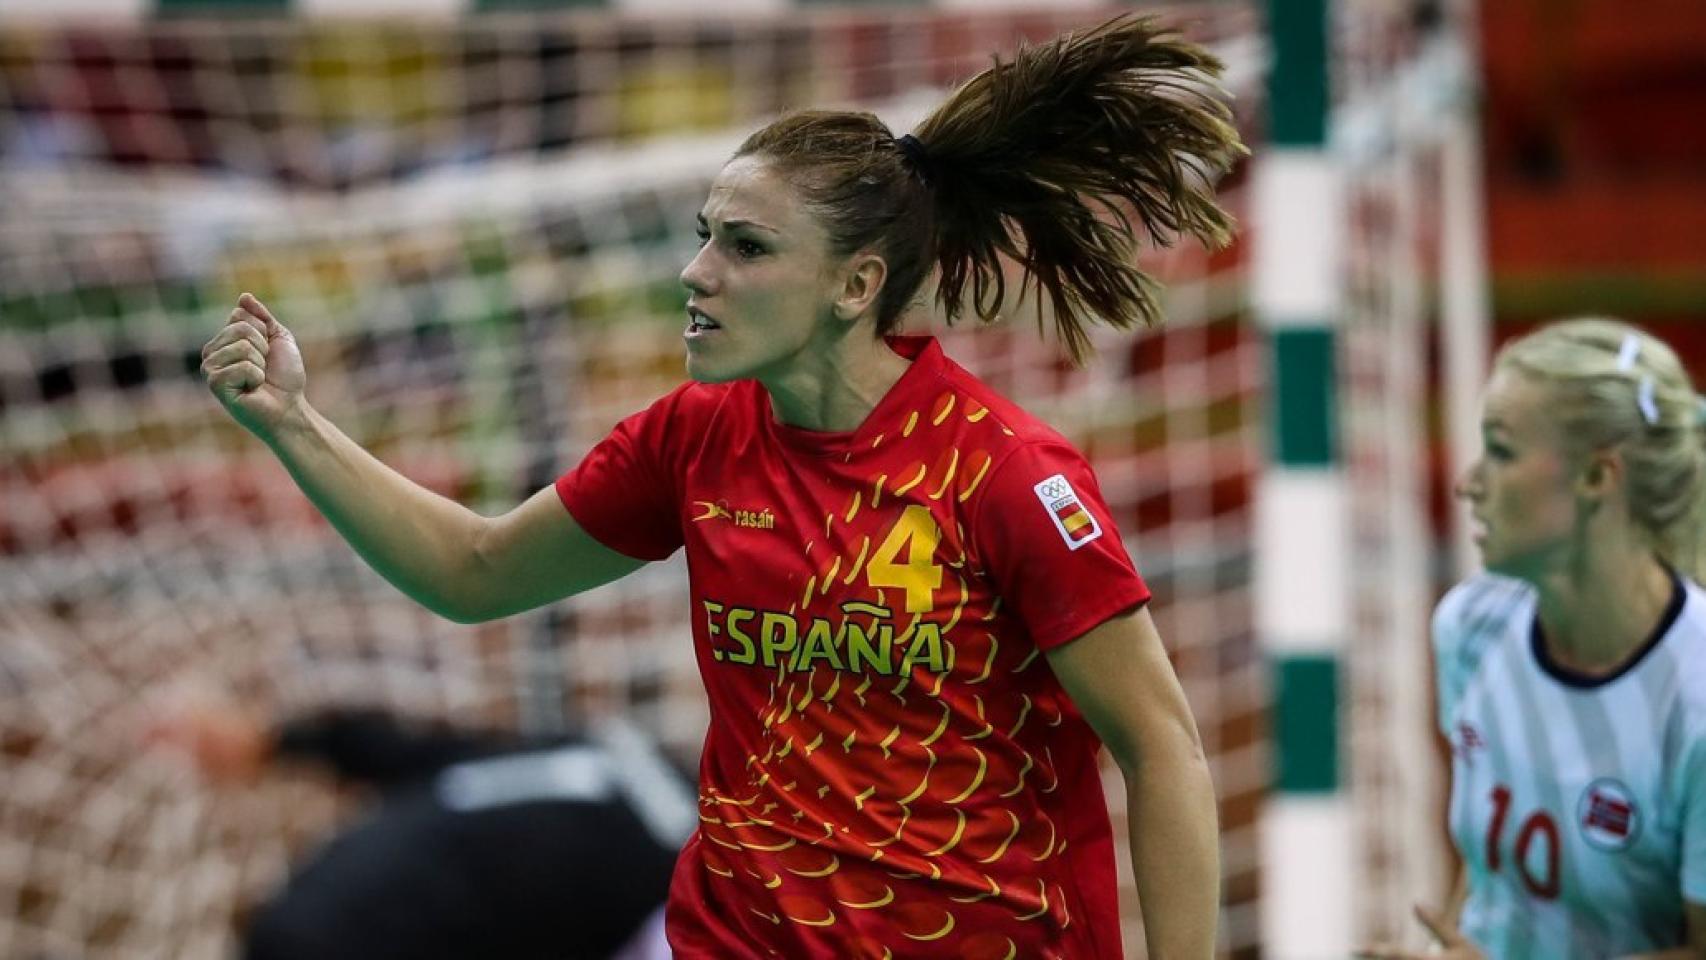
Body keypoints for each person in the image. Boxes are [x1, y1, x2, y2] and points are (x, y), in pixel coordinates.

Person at [198, 15, 1243, 958]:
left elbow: (1159, 747)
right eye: (704, 233)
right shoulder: (694, 437)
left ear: (855, 285)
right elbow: (473, 572)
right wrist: (294, 422)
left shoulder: (1006, 474)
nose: (696, 272)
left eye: (743, 247)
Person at [1358, 319, 1706, 960]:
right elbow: (1496, 877)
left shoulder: (1695, 699)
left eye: (1501, 450)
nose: (1467, 484)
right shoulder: (1471, 625)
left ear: (1598, 477)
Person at [145, 698, 687, 960]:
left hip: (303, 917)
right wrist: (271, 742)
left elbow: (414, 750)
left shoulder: (617, 747)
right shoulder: (694, 873)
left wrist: (274, 741)